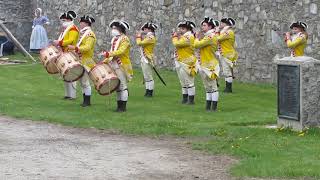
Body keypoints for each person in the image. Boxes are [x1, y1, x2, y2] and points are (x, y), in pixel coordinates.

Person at [101, 20, 133, 112]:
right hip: (114, 64)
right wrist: (105, 61)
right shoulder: (115, 39)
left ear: (120, 29)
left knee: (123, 85)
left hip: (121, 64)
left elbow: (121, 51)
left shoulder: (125, 39)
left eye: (115, 28)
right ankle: (119, 106)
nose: (113, 30)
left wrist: (108, 54)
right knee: (117, 86)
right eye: (113, 28)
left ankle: (123, 107)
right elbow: (112, 52)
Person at [68, 15, 96, 107]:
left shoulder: (89, 34)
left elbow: (87, 48)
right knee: (82, 82)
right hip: (81, 60)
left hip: (86, 61)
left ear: (86, 23)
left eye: (81, 22)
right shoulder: (84, 33)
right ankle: (85, 100)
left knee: (85, 82)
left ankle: (87, 101)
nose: (80, 24)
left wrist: (75, 48)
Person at [194, 17, 220, 111]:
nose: (202, 27)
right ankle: (208, 107)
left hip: (210, 64)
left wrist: (196, 38)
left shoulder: (210, 36)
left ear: (210, 26)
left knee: (213, 87)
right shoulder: (208, 35)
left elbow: (197, 45)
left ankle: (213, 108)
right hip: (204, 64)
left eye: (204, 25)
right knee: (207, 87)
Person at [53, 11, 79, 100]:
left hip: (71, 53)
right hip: (64, 53)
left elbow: (70, 40)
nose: (64, 21)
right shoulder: (65, 29)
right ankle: (67, 94)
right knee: (64, 73)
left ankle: (72, 95)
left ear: (70, 20)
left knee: (71, 74)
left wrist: (59, 42)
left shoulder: (73, 29)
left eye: (66, 19)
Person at [172, 20, 197, 104]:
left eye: (182, 29)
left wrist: (175, 37)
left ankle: (191, 100)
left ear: (187, 29)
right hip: (180, 60)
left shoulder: (188, 36)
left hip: (187, 62)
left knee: (189, 82)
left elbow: (177, 44)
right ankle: (185, 98)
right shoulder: (185, 36)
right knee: (183, 81)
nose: (180, 30)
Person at [136, 22, 157, 97]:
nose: (143, 30)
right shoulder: (148, 37)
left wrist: (138, 36)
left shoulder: (150, 37)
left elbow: (139, 43)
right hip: (144, 57)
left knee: (149, 76)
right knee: (146, 76)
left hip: (147, 58)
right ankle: (147, 91)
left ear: (149, 29)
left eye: (145, 29)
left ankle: (150, 92)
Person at [217, 17, 238, 93]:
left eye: (222, 23)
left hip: (227, 54)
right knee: (226, 71)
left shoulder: (228, 32)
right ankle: (227, 87)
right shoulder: (227, 31)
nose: (220, 24)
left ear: (226, 24)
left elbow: (218, 38)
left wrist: (216, 31)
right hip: (226, 53)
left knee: (227, 71)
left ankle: (229, 88)